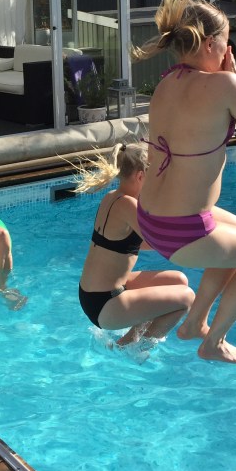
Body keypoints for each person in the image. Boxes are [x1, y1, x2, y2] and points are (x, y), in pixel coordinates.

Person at [134, 0, 236, 363]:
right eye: (228, 44)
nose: (229, 53)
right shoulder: (224, 83)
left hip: (150, 218)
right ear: (212, 44)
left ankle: (194, 322)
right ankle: (213, 342)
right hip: (182, 230)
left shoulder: (166, 84)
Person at [77, 142, 195, 347]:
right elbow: (161, 241)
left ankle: (127, 341)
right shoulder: (128, 204)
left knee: (179, 280)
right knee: (186, 298)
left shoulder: (111, 198)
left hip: (93, 295)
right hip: (105, 304)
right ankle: (138, 348)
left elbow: (134, 244)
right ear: (141, 176)